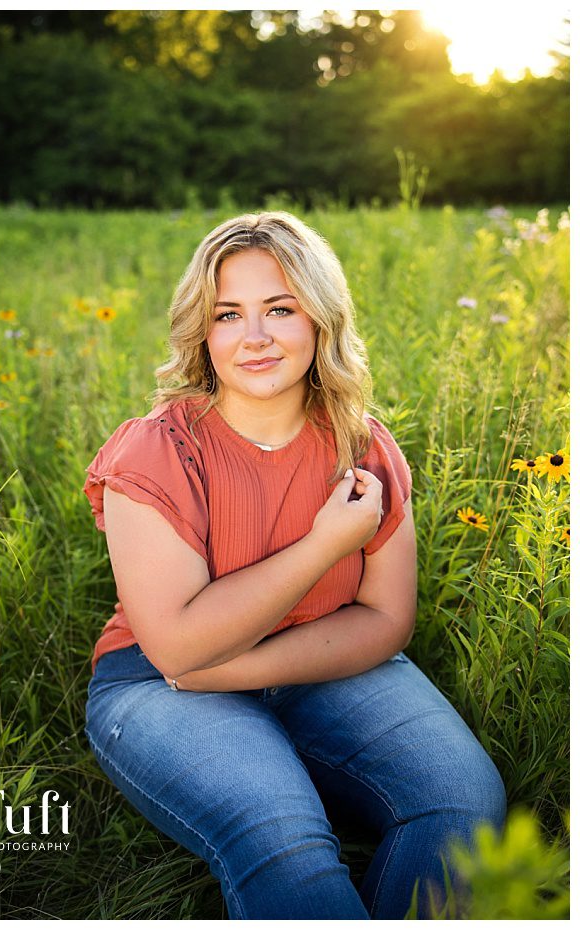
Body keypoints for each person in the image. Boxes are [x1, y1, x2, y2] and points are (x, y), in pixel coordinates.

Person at [81, 212, 504, 919]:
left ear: (320, 319)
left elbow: (387, 620)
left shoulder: (363, 449)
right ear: (202, 332)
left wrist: (237, 671)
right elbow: (178, 649)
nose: (255, 337)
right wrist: (323, 545)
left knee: (463, 804)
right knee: (283, 839)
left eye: (280, 308)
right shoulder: (154, 451)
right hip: (159, 688)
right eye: (228, 315)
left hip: (320, 663)